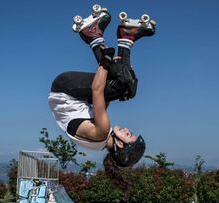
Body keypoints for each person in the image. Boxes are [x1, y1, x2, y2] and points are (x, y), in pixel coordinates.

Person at [48, 9, 155, 167]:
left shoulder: (103, 131)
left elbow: (97, 90)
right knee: (126, 88)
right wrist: (117, 76)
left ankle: (96, 35)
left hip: (66, 89)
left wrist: (105, 62)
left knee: (124, 86)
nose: (127, 129)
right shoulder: (100, 141)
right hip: (70, 94)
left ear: (120, 145)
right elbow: (102, 99)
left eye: (128, 134)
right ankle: (125, 37)